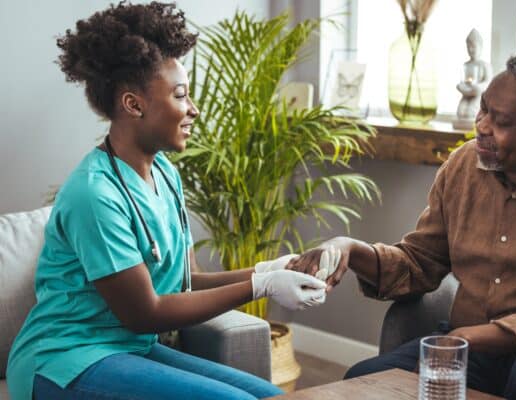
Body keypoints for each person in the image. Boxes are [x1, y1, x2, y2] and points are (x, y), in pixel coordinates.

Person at [6, 3, 327, 399]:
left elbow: (186, 283)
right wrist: (261, 287)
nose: (193, 109)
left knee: (271, 396)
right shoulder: (94, 194)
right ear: (133, 104)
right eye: (180, 95)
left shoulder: (164, 175)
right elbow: (145, 313)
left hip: (125, 350)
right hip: (63, 361)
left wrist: (265, 269)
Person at [289, 51, 516, 399]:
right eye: (483, 109)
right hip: (473, 348)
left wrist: (475, 335)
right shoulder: (464, 165)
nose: (481, 125)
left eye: (502, 121)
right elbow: (421, 262)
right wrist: (348, 249)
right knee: (362, 380)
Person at [454, 28, 492, 128]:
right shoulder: (466, 65)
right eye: (468, 47)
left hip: (477, 95)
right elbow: (463, 81)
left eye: (473, 46)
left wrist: (478, 87)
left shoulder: (484, 65)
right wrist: (461, 86)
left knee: (471, 113)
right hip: (467, 94)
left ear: (480, 46)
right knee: (461, 112)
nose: (471, 49)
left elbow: (488, 82)